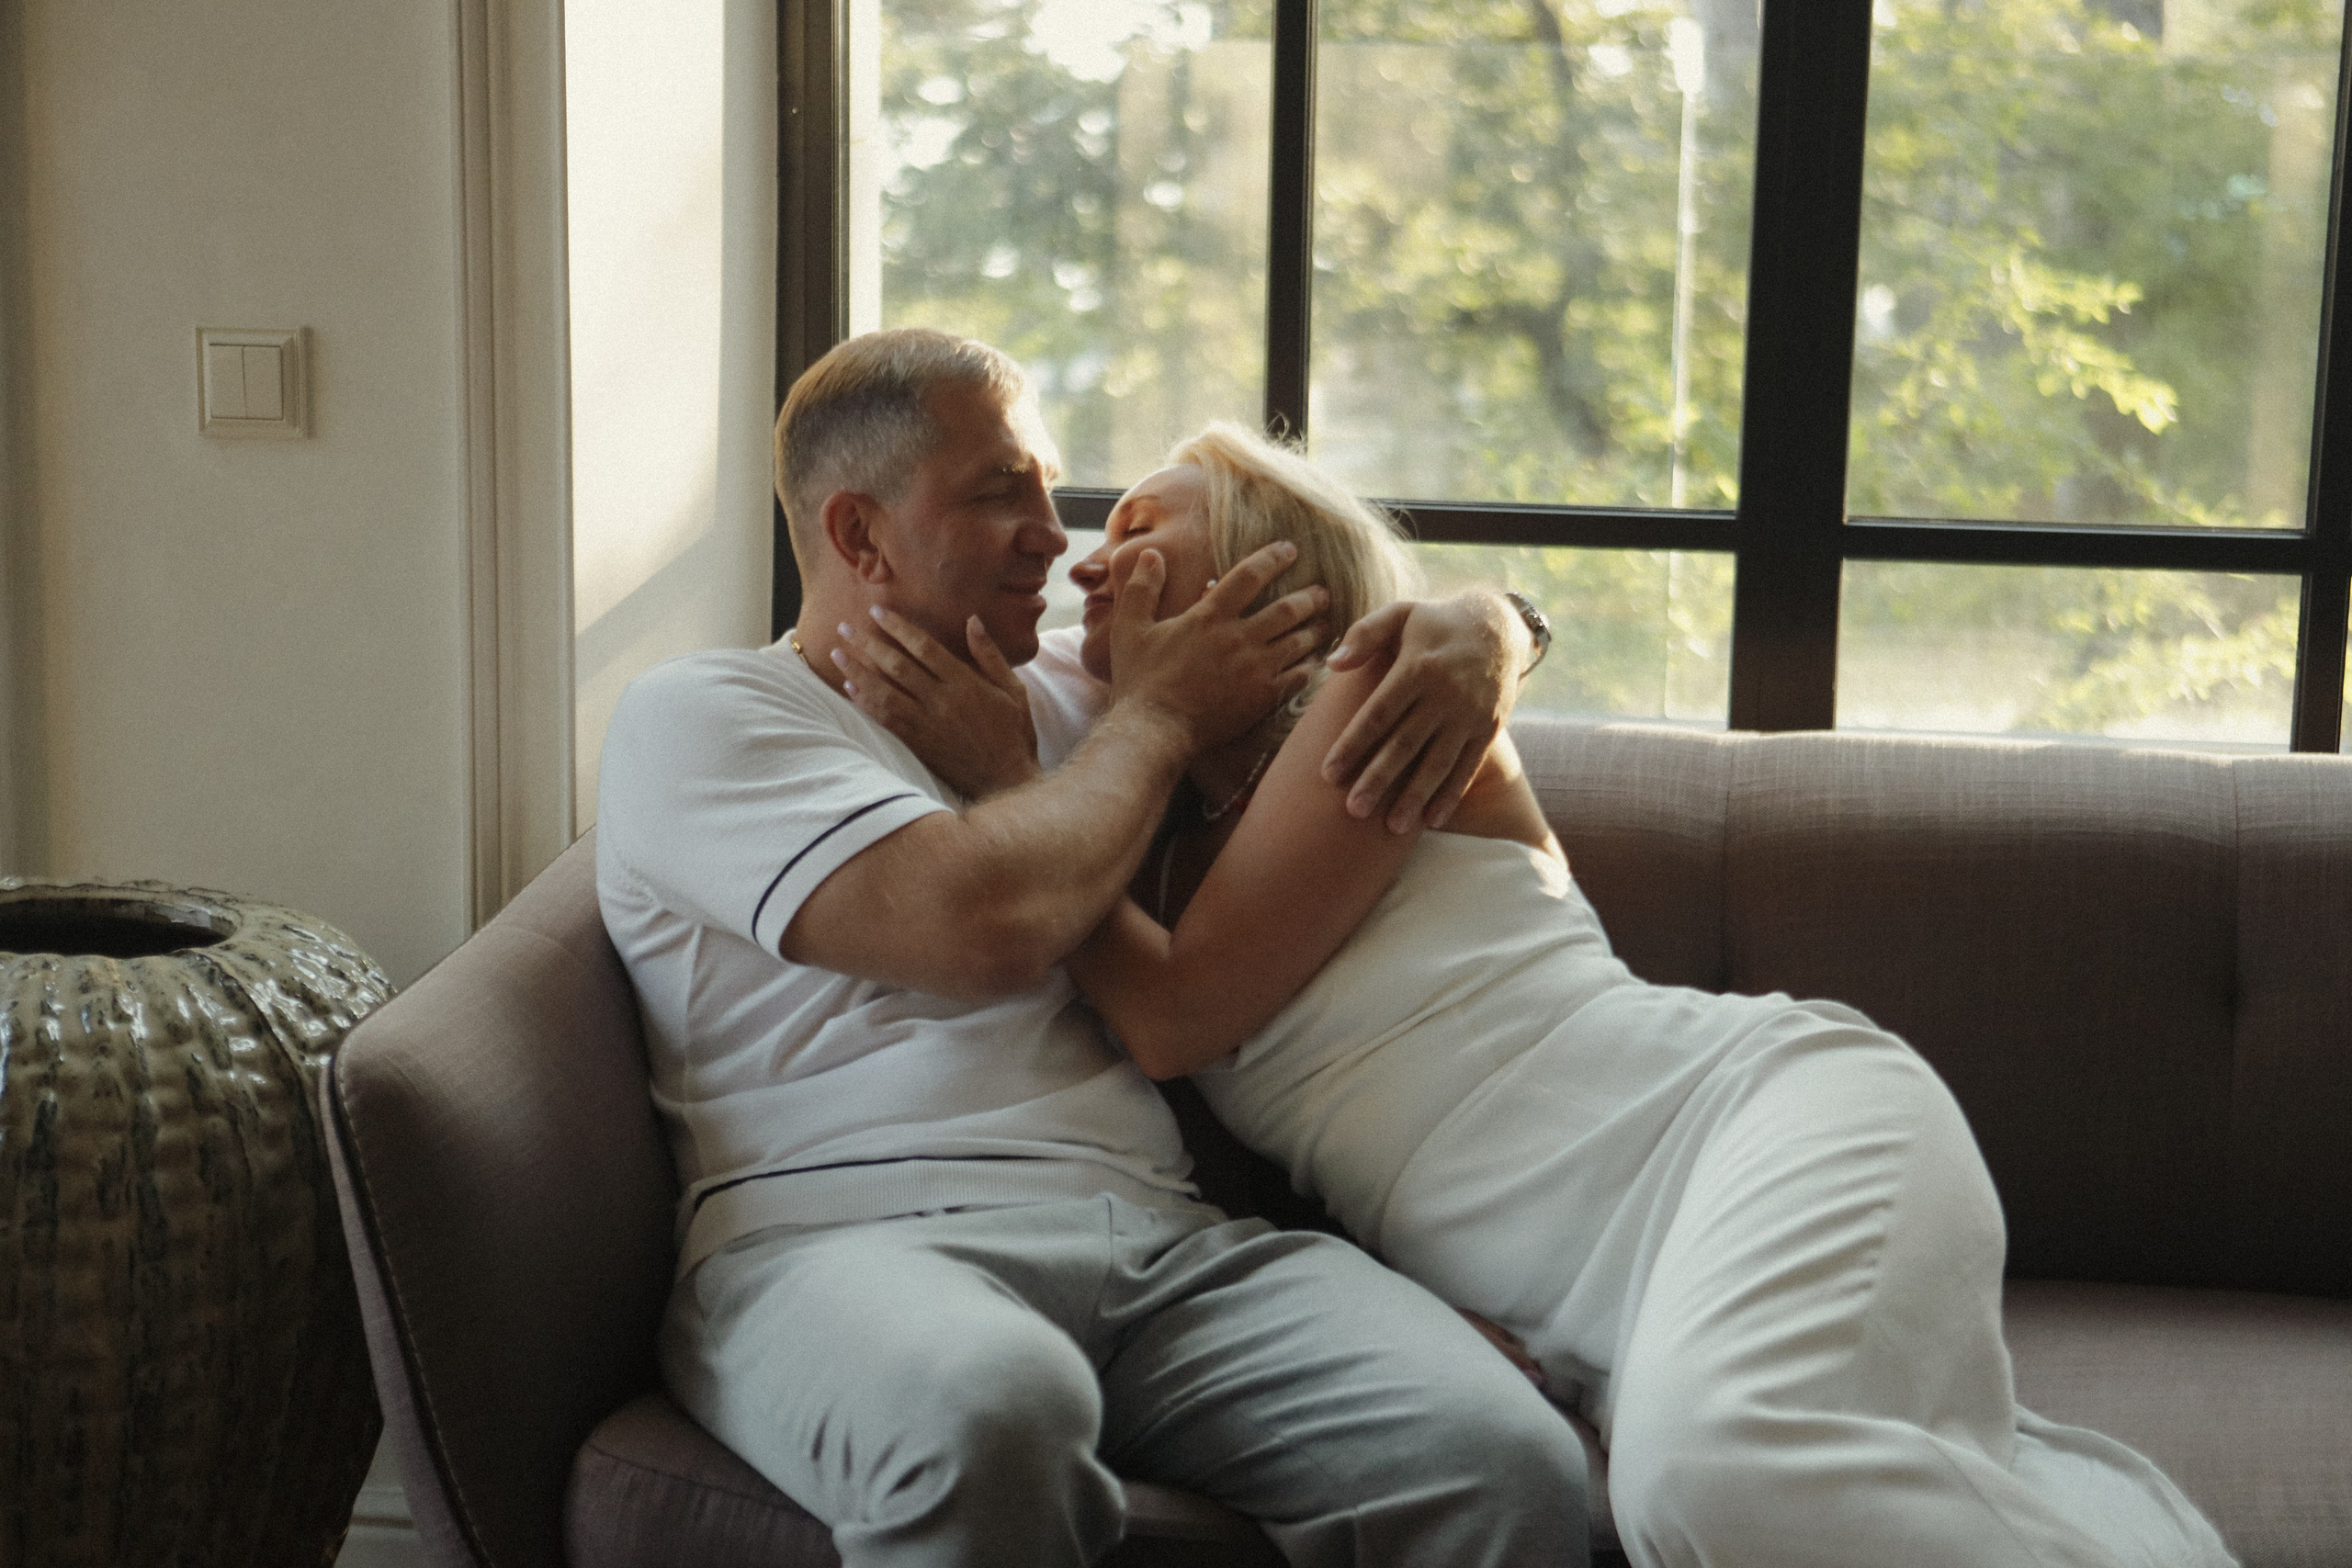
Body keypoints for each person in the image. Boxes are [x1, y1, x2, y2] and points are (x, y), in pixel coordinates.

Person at [841, 420, 2241, 1568]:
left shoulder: (1380, 694)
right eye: (1104, 540)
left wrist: (1483, 621)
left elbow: (1173, 1019)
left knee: (1717, 1484)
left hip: (1739, 1126)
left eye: (1153, 518)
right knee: (1684, 1493)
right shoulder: (1137, 858)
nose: (1100, 560)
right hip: (1594, 1296)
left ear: (1277, 562)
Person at [594, 328, 1593, 1568]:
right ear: (861, 537)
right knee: (990, 1408)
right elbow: (979, 928)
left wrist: (1496, 623)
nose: (1058, 540)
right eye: (998, 491)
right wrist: (1162, 719)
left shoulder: (1096, 685)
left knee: (1504, 1465)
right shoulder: (705, 718)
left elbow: (1349, 621)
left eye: (1049, 489)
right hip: (838, 1245)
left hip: (1169, 1251)